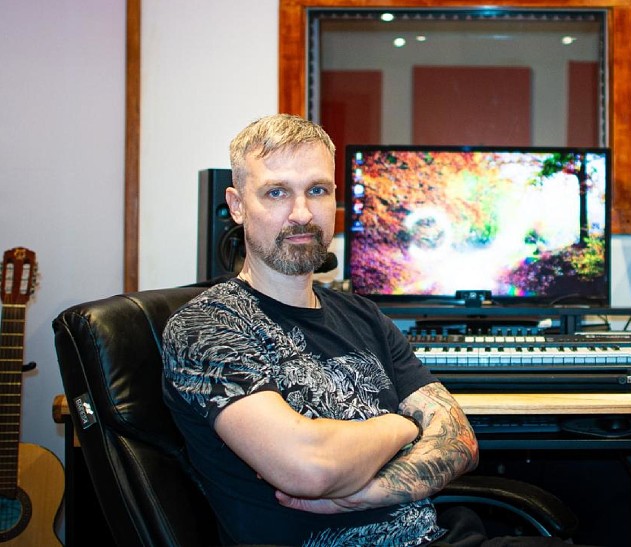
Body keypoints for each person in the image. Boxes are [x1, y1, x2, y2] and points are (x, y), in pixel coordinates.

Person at [162, 113, 583, 547]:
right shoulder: (207, 326)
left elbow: (459, 439)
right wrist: (402, 426)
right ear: (236, 206)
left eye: (317, 190)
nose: (301, 214)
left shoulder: (362, 315)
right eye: (276, 192)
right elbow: (311, 468)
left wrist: (370, 492)